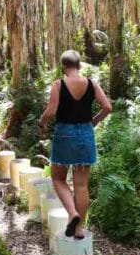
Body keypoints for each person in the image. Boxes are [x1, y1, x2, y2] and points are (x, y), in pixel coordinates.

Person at [38, 50, 112, 239]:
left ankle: (72, 214)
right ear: (79, 65)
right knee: (81, 185)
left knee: (58, 178)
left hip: (64, 135)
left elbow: (51, 111)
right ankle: (79, 230)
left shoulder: (59, 85)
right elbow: (107, 107)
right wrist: (94, 121)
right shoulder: (92, 84)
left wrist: (41, 122)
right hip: (86, 135)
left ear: (64, 67)